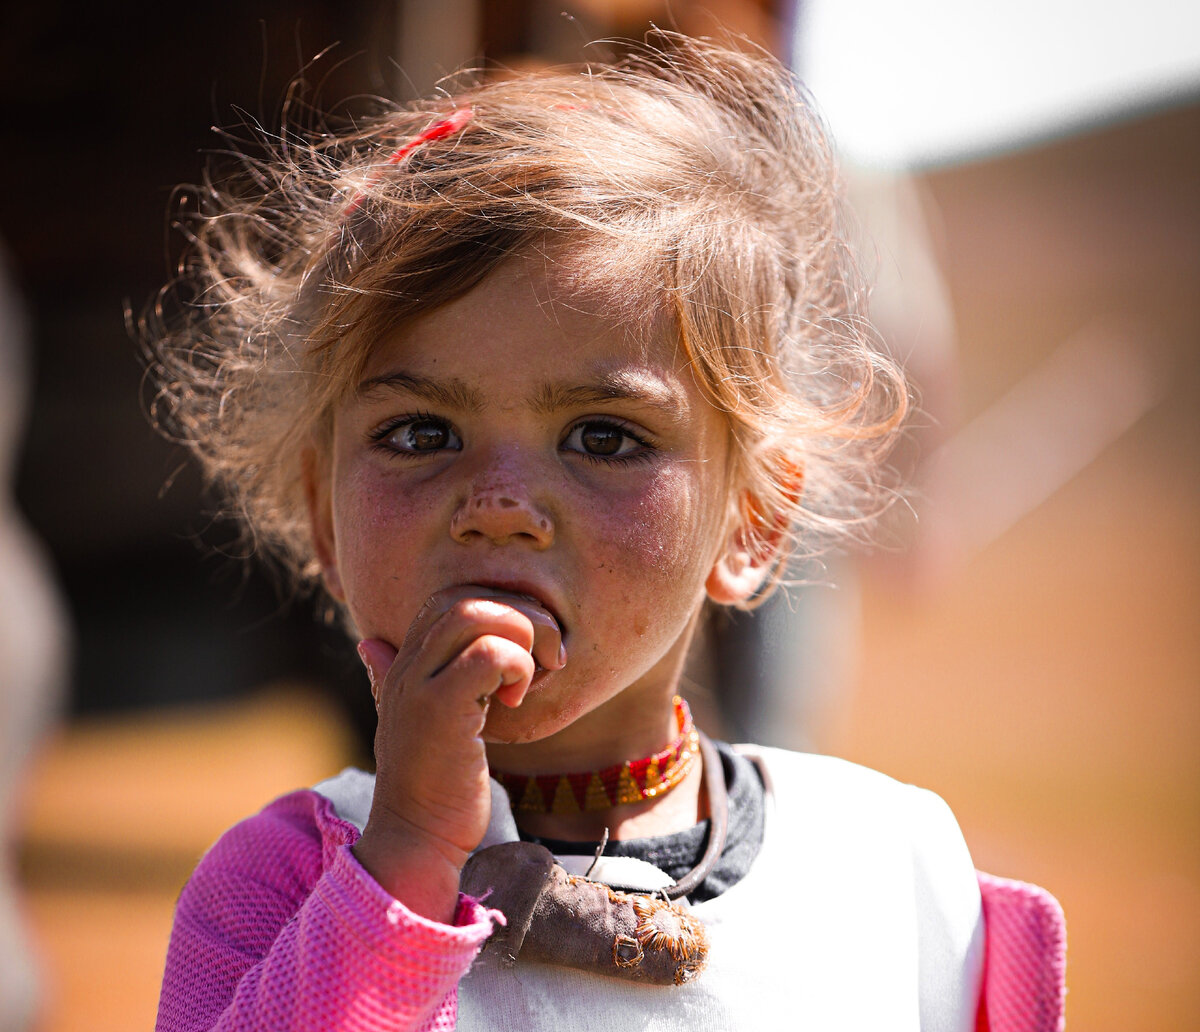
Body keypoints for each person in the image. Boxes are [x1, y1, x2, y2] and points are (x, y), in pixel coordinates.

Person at [145, 34, 1062, 1031]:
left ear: (752, 521)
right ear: (325, 512)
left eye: (603, 436)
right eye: (421, 433)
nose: (496, 501)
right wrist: (404, 860)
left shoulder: (888, 869)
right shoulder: (284, 880)